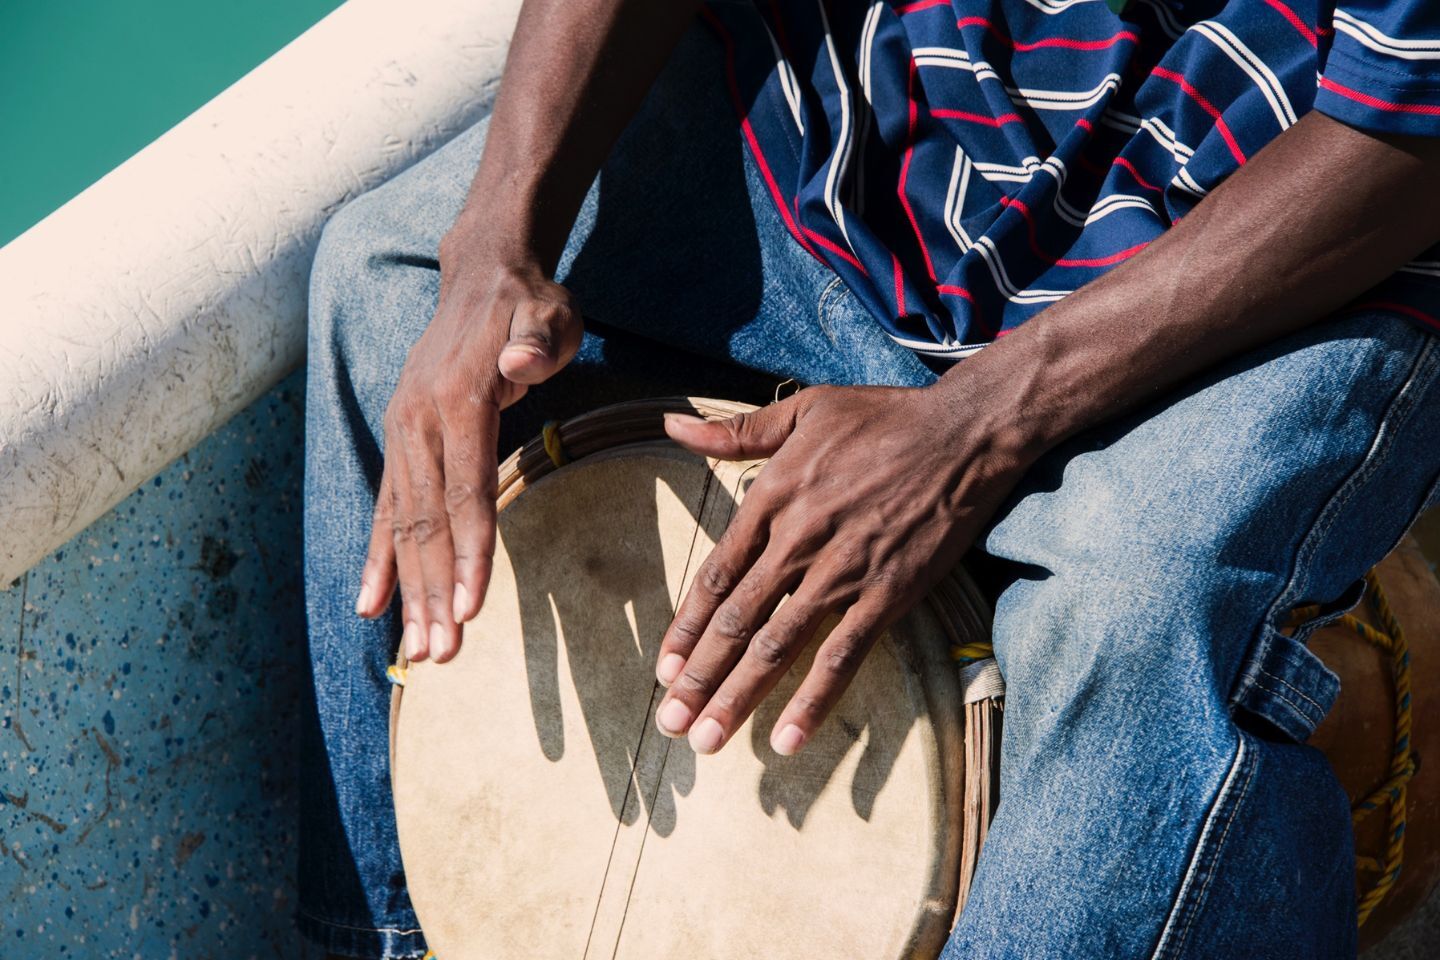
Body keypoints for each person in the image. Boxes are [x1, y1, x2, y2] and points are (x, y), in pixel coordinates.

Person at [300, 0, 1440, 956]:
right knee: (388, 280)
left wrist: (979, 427)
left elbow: (1409, 132)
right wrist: (498, 241)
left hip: (1256, 235)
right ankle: (399, 943)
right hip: (864, 146)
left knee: (1131, 602)